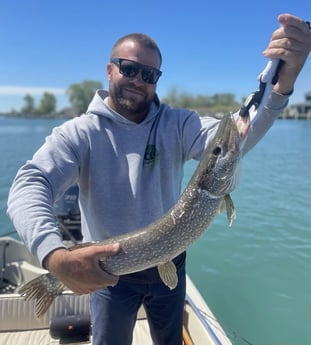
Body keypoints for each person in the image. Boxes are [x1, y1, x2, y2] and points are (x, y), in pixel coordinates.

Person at [7, 13, 311, 345]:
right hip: (109, 273)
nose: (138, 79)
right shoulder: (79, 133)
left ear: (157, 80)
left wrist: (283, 83)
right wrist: (54, 256)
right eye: (128, 68)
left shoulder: (178, 125)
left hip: (170, 264)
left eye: (149, 74)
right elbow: (29, 183)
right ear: (109, 70)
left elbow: (239, 138)